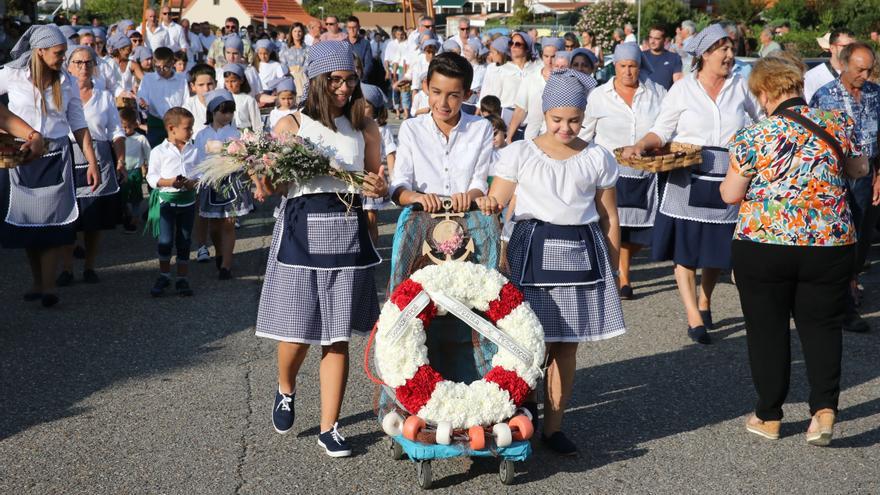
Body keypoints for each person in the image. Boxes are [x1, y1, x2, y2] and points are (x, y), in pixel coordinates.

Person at [719, 57, 868, 446]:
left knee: (767, 330)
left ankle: (769, 416)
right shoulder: (838, 123)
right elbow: (858, 170)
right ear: (798, 88)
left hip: (764, 243)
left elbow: (731, 194)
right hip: (829, 243)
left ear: (764, 94)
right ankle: (822, 413)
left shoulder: (756, 135)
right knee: (822, 326)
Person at [476, 69, 626, 455]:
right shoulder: (521, 152)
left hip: (581, 254)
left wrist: (613, 266)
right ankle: (521, 414)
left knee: (565, 347)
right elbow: (497, 202)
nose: (565, 127)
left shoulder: (597, 156)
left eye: (574, 120)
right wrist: (490, 212)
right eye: (557, 119)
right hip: (530, 252)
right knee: (526, 342)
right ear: (544, 114)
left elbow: (608, 215)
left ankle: (554, 425)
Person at [257, 40, 388, 457]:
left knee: (337, 336)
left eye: (350, 79)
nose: (344, 88)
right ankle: (285, 386)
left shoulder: (364, 124)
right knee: (297, 331)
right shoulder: (291, 124)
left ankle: (330, 427)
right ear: (316, 79)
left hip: (346, 231)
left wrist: (379, 188)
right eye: (335, 80)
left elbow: (374, 180)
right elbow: (276, 185)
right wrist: (263, 178)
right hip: (300, 230)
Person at [622, 24, 760, 344]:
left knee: (717, 248)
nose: (729, 54)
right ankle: (693, 316)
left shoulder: (741, 87)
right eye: (722, 49)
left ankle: (705, 298)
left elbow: (758, 125)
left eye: (730, 48)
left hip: (729, 175)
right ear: (705, 55)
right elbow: (662, 129)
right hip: (687, 173)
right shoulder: (683, 90)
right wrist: (642, 145)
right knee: (685, 250)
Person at [0, 25, 101, 308]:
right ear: (40, 51)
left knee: (51, 224)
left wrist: (92, 161)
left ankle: (48, 286)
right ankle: (38, 282)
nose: (62, 57)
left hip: (57, 154)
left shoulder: (66, 81)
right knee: (27, 224)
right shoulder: (13, 75)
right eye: (58, 53)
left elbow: (79, 125)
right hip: (20, 155)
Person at [582, 43, 666, 300]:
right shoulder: (599, 95)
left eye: (633, 66)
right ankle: (620, 276)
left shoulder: (657, 93)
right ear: (614, 67)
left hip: (645, 172)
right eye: (623, 66)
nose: (628, 72)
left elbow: (666, 126)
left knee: (637, 229)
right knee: (610, 223)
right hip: (609, 171)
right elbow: (586, 132)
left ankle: (623, 270)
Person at [811, 42, 880, 333]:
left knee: (861, 240)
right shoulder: (824, 97)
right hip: (834, 178)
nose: (865, 75)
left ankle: (849, 292)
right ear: (843, 64)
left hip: (866, 175)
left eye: (869, 69)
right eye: (859, 69)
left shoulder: (876, 95)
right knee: (838, 241)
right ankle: (843, 304)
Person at [57, 46, 126, 286]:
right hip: (67, 157)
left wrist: (121, 159)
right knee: (68, 217)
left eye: (88, 63)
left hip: (99, 156)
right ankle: (66, 268)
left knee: (94, 219)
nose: (83, 67)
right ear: (69, 65)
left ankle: (89, 266)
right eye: (78, 62)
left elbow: (116, 131)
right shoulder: (60, 94)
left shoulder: (104, 96)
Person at [391, 52, 494, 213]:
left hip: (466, 215)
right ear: (426, 87)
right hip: (421, 216)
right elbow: (399, 184)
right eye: (436, 92)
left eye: (453, 95)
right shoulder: (411, 128)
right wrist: (417, 198)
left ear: (467, 95)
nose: (443, 103)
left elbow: (479, 182)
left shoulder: (481, 128)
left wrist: (467, 197)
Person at [195, 89, 252, 280]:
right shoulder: (202, 135)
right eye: (223, 111)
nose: (227, 115)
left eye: (230, 111)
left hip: (232, 182)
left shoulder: (237, 133)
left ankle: (226, 265)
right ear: (212, 111)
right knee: (214, 225)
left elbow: (245, 159)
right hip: (210, 182)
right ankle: (219, 252)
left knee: (228, 223)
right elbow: (197, 161)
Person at [144, 107, 198, 297]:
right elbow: (151, 177)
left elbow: (201, 173)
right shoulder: (159, 151)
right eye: (187, 128)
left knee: (184, 241)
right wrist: (170, 182)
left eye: (191, 128)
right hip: (166, 202)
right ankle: (164, 275)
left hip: (187, 203)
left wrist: (194, 182)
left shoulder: (194, 149)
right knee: (165, 241)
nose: (191, 132)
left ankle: (182, 278)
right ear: (171, 128)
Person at [507, 37, 565, 143]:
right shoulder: (531, 78)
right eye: (546, 56)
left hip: (556, 138)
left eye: (553, 56)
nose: (549, 61)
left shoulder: (567, 81)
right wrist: (509, 136)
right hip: (531, 135)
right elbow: (520, 109)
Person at [360, 83, 396, 244]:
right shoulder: (352, 125)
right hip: (354, 177)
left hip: (372, 176)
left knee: (371, 217)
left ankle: (372, 249)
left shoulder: (382, 128)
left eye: (365, 105)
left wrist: (393, 178)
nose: (360, 108)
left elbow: (390, 153)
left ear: (374, 108)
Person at [480, 32, 538, 127]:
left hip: (531, 119)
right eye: (511, 43)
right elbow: (494, 97)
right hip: (506, 118)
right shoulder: (501, 70)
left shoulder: (537, 68)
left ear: (527, 47)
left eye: (518, 44)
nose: (513, 46)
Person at [137, 46, 188, 147]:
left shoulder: (182, 79)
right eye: (158, 67)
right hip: (156, 123)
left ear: (172, 63)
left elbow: (186, 101)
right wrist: (143, 104)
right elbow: (142, 97)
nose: (162, 70)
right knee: (155, 153)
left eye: (165, 67)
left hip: (176, 123)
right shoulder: (148, 79)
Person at [119, 107, 150, 233]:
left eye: (127, 127)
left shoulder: (140, 138)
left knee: (136, 197)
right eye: (122, 127)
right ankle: (127, 214)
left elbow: (148, 153)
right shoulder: (119, 139)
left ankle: (135, 218)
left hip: (135, 171)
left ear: (135, 125)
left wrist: (148, 166)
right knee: (123, 196)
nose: (125, 130)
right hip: (122, 171)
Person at [804, 29, 855, 103]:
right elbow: (808, 109)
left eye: (854, 47)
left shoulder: (862, 73)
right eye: (845, 46)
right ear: (832, 48)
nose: (851, 50)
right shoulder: (813, 76)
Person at [215, 35, 263, 99]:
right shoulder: (220, 71)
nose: (231, 57)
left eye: (235, 53)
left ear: (241, 53)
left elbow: (258, 94)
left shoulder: (250, 71)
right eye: (228, 53)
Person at [222, 64, 261, 131]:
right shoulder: (223, 99)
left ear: (241, 80)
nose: (230, 85)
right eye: (227, 81)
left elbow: (256, 123)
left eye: (233, 81)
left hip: (246, 136)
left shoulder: (249, 99)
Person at [643, 25, 683, 90]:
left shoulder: (674, 58)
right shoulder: (641, 56)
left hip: (666, 98)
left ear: (664, 40)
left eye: (657, 39)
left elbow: (678, 84)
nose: (652, 41)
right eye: (651, 37)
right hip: (645, 98)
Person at [183, 63, 217, 136]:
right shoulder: (188, 108)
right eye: (201, 85)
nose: (206, 89)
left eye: (209, 84)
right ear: (193, 86)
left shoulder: (225, 104)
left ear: (215, 84)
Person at [281, 23, 308, 96]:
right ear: (291, 33)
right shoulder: (285, 48)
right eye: (295, 31)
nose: (297, 34)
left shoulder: (307, 48)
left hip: (303, 77)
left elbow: (307, 64)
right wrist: (288, 73)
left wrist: (300, 73)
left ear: (303, 33)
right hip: (289, 77)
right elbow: (283, 63)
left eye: (299, 31)